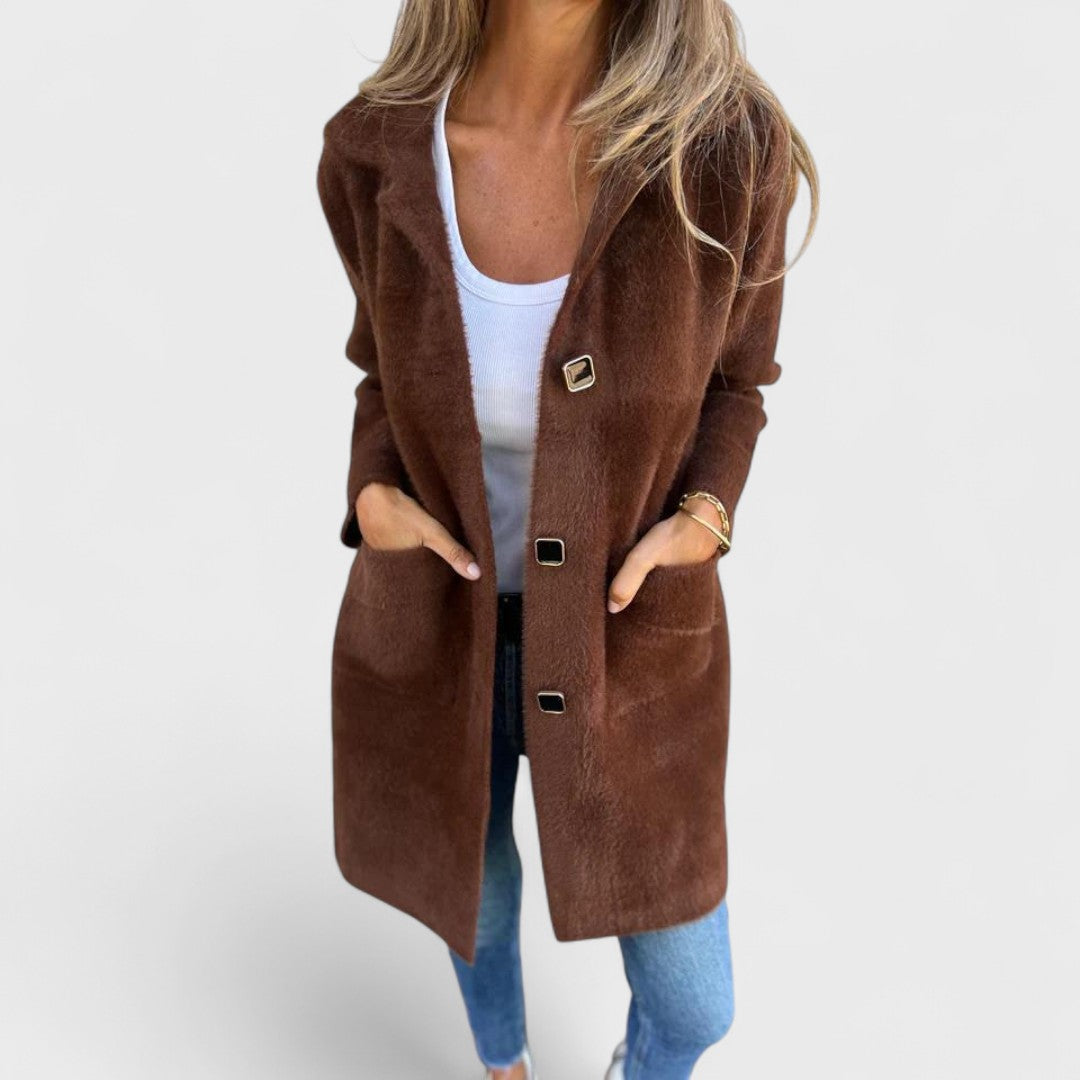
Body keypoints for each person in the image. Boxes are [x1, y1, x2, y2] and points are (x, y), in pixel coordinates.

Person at [316, 1, 818, 1077]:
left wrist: (705, 519)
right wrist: (372, 494)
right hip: (439, 629)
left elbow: (739, 385)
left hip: (624, 647)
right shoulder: (375, 147)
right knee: (477, 895)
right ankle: (503, 1061)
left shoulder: (723, 147)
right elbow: (377, 372)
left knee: (694, 1002)